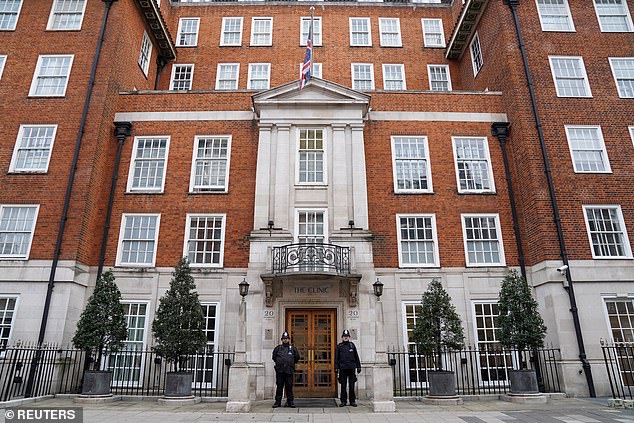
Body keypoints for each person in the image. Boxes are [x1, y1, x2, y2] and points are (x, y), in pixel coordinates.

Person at [272, 331, 300, 408]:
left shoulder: (293, 349)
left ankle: (290, 402)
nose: (285, 340)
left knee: (289, 387)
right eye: (284, 339)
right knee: (279, 387)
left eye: (286, 339)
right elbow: (274, 357)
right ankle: (278, 402)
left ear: (289, 339)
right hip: (280, 371)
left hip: (289, 371)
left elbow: (297, 358)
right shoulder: (277, 348)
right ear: (282, 340)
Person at [334, 329, 361, 407]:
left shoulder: (352, 345)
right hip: (343, 369)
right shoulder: (339, 346)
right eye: (344, 336)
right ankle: (343, 401)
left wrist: (358, 366)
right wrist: (336, 368)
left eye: (347, 336)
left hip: (351, 368)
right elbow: (336, 358)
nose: (345, 338)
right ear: (342, 337)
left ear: (349, 337)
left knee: (352, 386)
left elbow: (356, 356)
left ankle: (352, 401)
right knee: (343, 386)